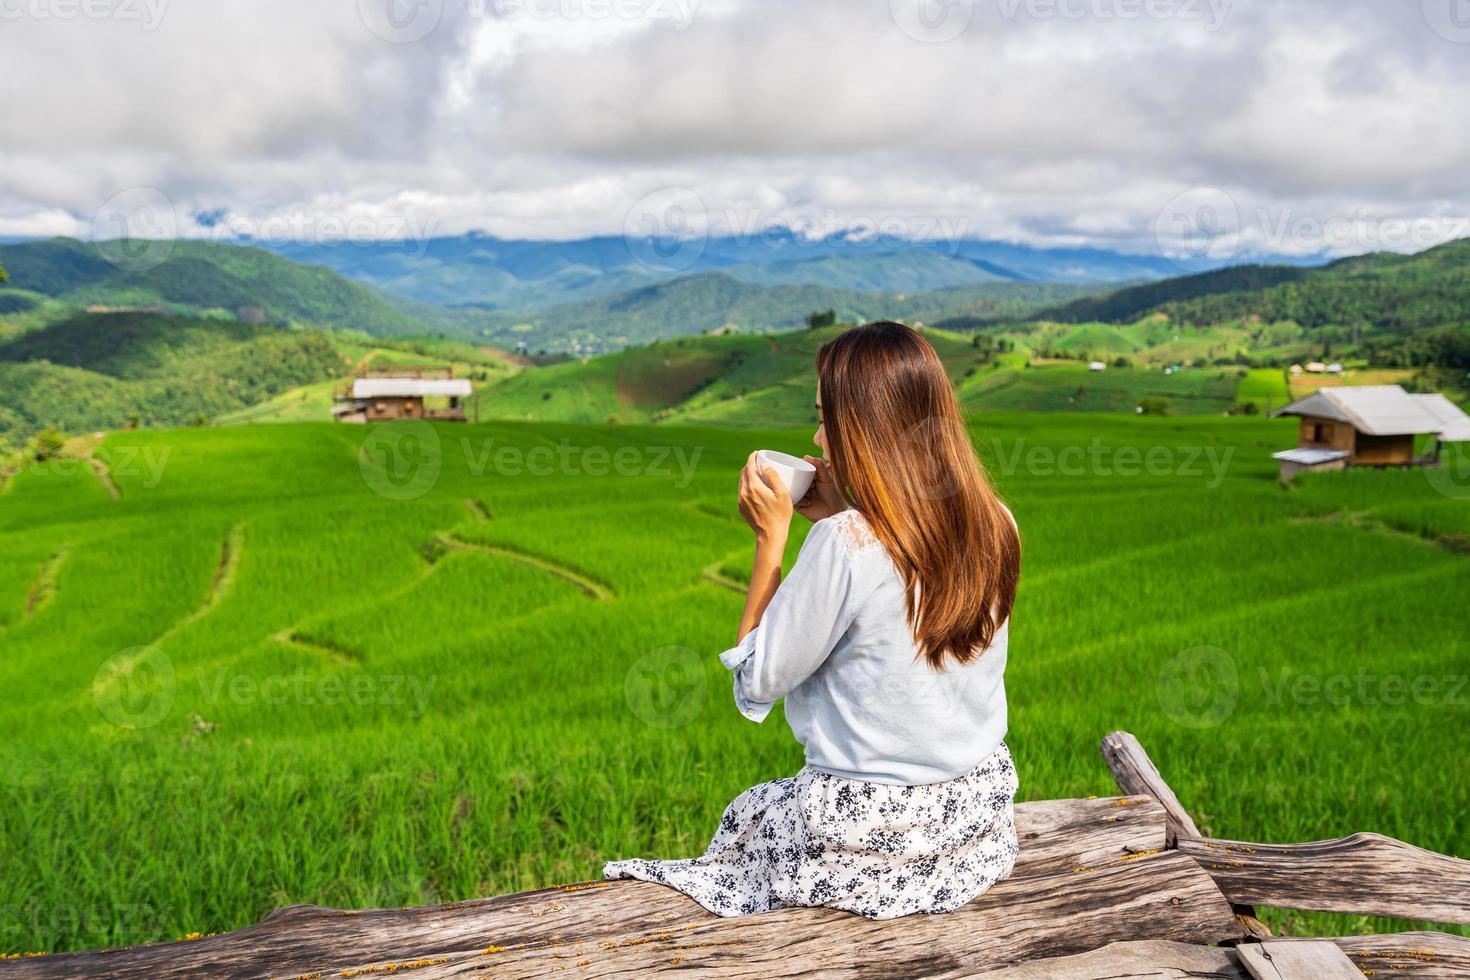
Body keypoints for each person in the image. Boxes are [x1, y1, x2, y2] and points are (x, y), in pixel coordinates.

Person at [603, 321, 1022, 919]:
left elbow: (756, 681)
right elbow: (898, 574)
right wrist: (844, 509)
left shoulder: (844, 542)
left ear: (868, 430)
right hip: (972, 821)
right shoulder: (995, 521)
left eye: (829, 418)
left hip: (870, 842)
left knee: (750, 816)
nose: (819, 437)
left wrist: (771, 540)